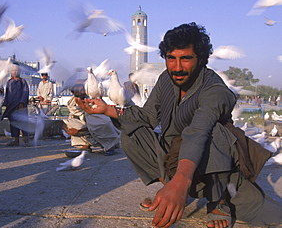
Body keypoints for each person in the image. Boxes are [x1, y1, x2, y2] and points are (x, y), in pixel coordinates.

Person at [76, 23, 281, 227]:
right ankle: (170, 190)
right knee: (132, 132)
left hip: (212, 162)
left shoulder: (214, 89)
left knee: (217, 133)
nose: (177, 67)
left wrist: (182, 180)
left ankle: (219, 201)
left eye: (185, 59)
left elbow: (198, 131)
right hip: (175, 154)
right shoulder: (166, 79)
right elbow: (147, 116)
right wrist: (107, 110)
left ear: (200, 59)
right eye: (171, 59)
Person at [65, 84, 120, 156]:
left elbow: (103, 123)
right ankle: (84, 145)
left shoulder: (95, 102)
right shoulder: (72, 102)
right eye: (76, 89)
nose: (78, 90)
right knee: (70, 122)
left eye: (80, 88)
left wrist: (80, 131)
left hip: (101, 134)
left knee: (101, 124)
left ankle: (110, 147)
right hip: (86, 130)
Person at [2, 64, 30, 147]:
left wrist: (22, 102)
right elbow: (7, 93)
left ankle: (26, 141)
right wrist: (6, 104)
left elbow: (25, 92)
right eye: (13, 70)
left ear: (19, 71)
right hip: (11, 106)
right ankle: (15, 140)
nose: (15, 72)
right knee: (13, 123)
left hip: (20, 106)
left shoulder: (22, 81)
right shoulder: (9, 82)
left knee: (23, 122)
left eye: (16, 70)